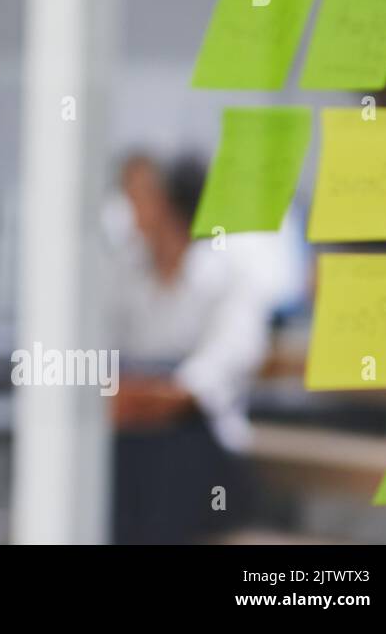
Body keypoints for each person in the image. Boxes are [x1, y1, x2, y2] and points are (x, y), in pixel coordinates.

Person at [104, 154, 271, 543]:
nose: (128, 206)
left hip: (196, 440)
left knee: (163, 463)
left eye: (140, 194)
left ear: (169, 203)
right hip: (131, 432)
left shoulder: (227, 274)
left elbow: (214, 373)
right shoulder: (125, 273)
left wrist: (150, 395)